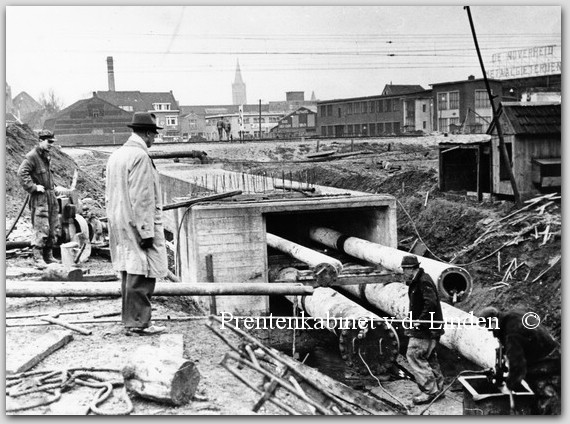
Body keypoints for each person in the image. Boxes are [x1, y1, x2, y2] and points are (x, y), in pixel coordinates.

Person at [105, 112, 168, 336]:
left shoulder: (117, 155)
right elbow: (142, 198)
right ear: (148, 133)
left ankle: (131, 319)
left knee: (127, 269)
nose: (154, 140)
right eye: (154, 135)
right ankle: (140, 322)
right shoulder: (140, 157)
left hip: (119, 220)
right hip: (135, 222)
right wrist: (146, 231)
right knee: (142, 272)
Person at [478, 307, 561, 415]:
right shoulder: (514, 314)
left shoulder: (511, 334)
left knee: (547, 398)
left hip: (546, 365)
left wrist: (509, 385)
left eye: (489, 327)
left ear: (494, 321)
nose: (489, 330)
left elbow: (517, 366)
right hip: (554, 354)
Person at [401, 255, 445, 405]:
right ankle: (438, 388)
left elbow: (430, 303)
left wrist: (420, 321)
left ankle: (429, 391)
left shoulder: (423, 281)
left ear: (411, 269)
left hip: (426, 327)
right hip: (429, 326)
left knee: (414, 354)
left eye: (404, 269)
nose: (403, 272)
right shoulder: (418, 280)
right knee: (429, 356)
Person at [17, 130, 63, 269]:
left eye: (52, 142)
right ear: (41, 141)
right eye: (49, 142)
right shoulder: (32, 157)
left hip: (50, 196)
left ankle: (48, 255)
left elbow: (47, 175)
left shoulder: (46, 156)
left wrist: (53, 187)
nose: (51, 145)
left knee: (53, 225)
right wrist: (33, 187)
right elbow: (21, 173)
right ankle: (37, 258)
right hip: (40, 198)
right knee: (41, 226)